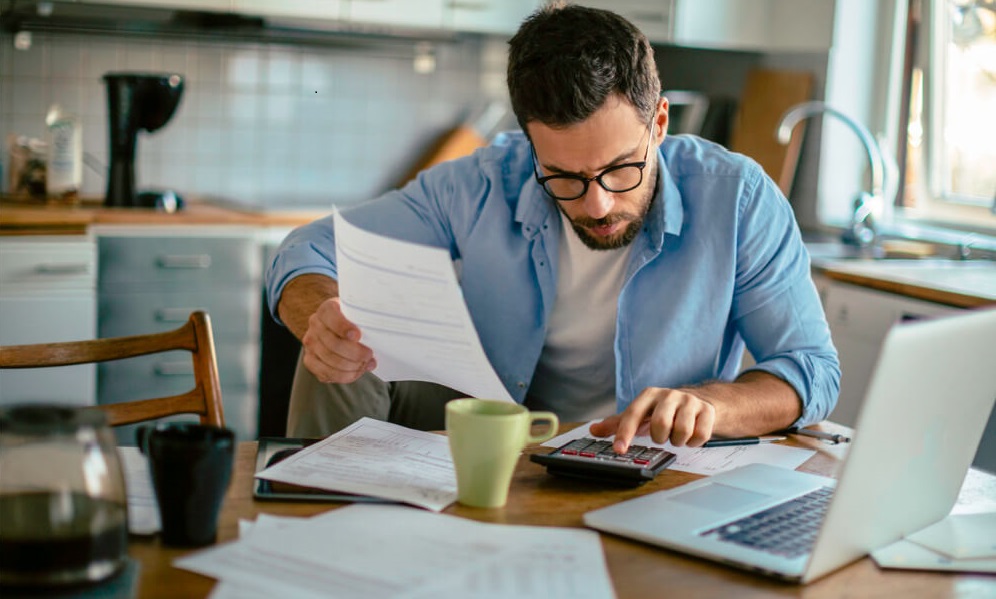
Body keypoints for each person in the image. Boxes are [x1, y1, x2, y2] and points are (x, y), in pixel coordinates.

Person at [266, 3, 840, 453]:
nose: (596, 204)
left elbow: (811, 369)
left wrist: (710, 405)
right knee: (341, 327)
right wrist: (321, 314)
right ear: (530, 145)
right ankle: (315, 530)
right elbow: (308, 247)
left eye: (621, 169)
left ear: (659, 122)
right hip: (496, 428)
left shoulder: (737, 197)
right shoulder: (485, 181)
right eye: (563, 176)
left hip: (644, 457)